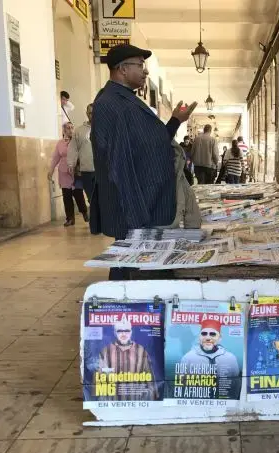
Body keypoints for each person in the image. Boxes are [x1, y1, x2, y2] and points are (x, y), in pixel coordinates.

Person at [90, 44, 196, 279]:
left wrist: (176, 121)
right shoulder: (110, 103)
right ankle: (119, 307)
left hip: (148, 201)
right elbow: (117, 162)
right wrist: (135, 213)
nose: (145, 71)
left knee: (131, 261)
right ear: (122, 69)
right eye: (139, 64)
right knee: (127, 263)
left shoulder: (126, 100)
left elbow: (153, 143)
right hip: (135, 204)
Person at [98, 318, 158, 401]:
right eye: (119, 331)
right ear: (115, 333)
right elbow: (100, 379)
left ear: (131, 332)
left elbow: (150, 379)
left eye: (127, 331)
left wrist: (152, 400)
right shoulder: (105, 351)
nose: (123, 334)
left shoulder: (141, 350)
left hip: (137, 402)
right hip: (112, 402)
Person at [180, 319, 241, 388]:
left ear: (219, 338)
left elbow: (236, 383)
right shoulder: (188, 358)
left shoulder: (230, 358)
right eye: (204, 334)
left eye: (212, 334)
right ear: (199, 337)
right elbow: (181, 383)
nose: (208, 338)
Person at [48, 122, 88, 227]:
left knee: (78, 193)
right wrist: (51, 170)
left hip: (76, 172)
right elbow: (55, 158)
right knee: (67, 196)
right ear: (64, 130)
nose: (70, 130)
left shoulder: (77, 141)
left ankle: (85, 212)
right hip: (64, 172)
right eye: (68, 128)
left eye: (71, 128)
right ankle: (70, 218)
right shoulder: (60, 143)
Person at [67, 103, 95, 203]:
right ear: (87, 114)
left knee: (102, 199)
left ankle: (101, 218)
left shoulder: (104, 129)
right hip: (86, 171)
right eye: (90, 113)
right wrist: (71, 163)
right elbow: (73, 148)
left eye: (95, 112)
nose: (93, 115)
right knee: (91, 199)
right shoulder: (79, 131)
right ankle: (95, 218)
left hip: (102, 171)